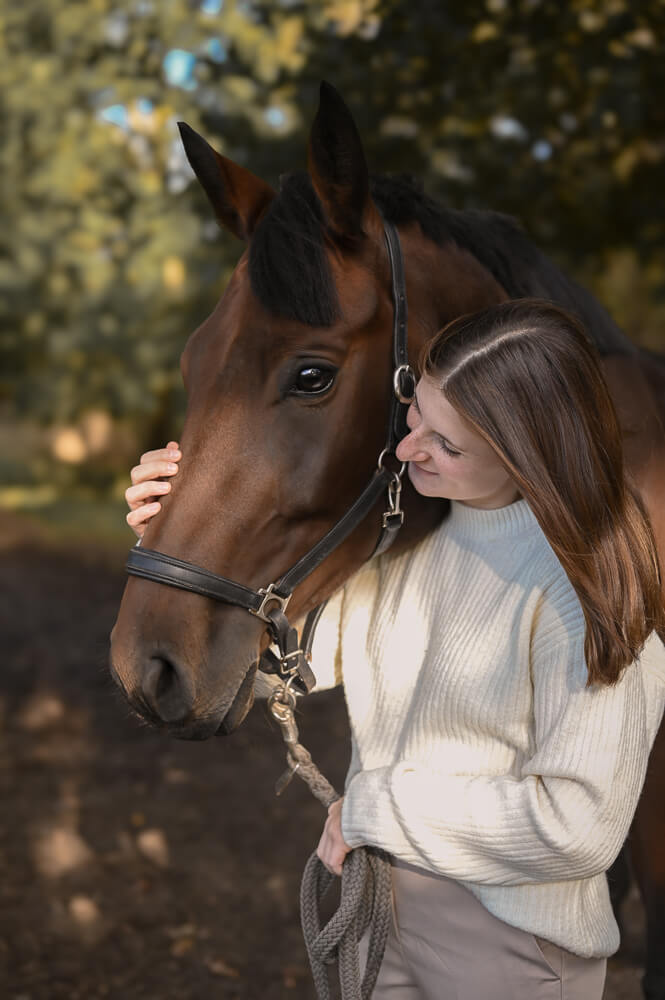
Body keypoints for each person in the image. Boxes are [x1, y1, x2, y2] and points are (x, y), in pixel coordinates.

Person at [125, 299, 665, 1000]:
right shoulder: (408, 544)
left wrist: (375, 808)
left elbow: (580, 827)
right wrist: (182, 540)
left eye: (447, 445)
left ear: (527, 455)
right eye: (414, 416)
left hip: (507, 949)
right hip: (380, 914)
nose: (408, 451)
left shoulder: (582, 596)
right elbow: (283, 665)